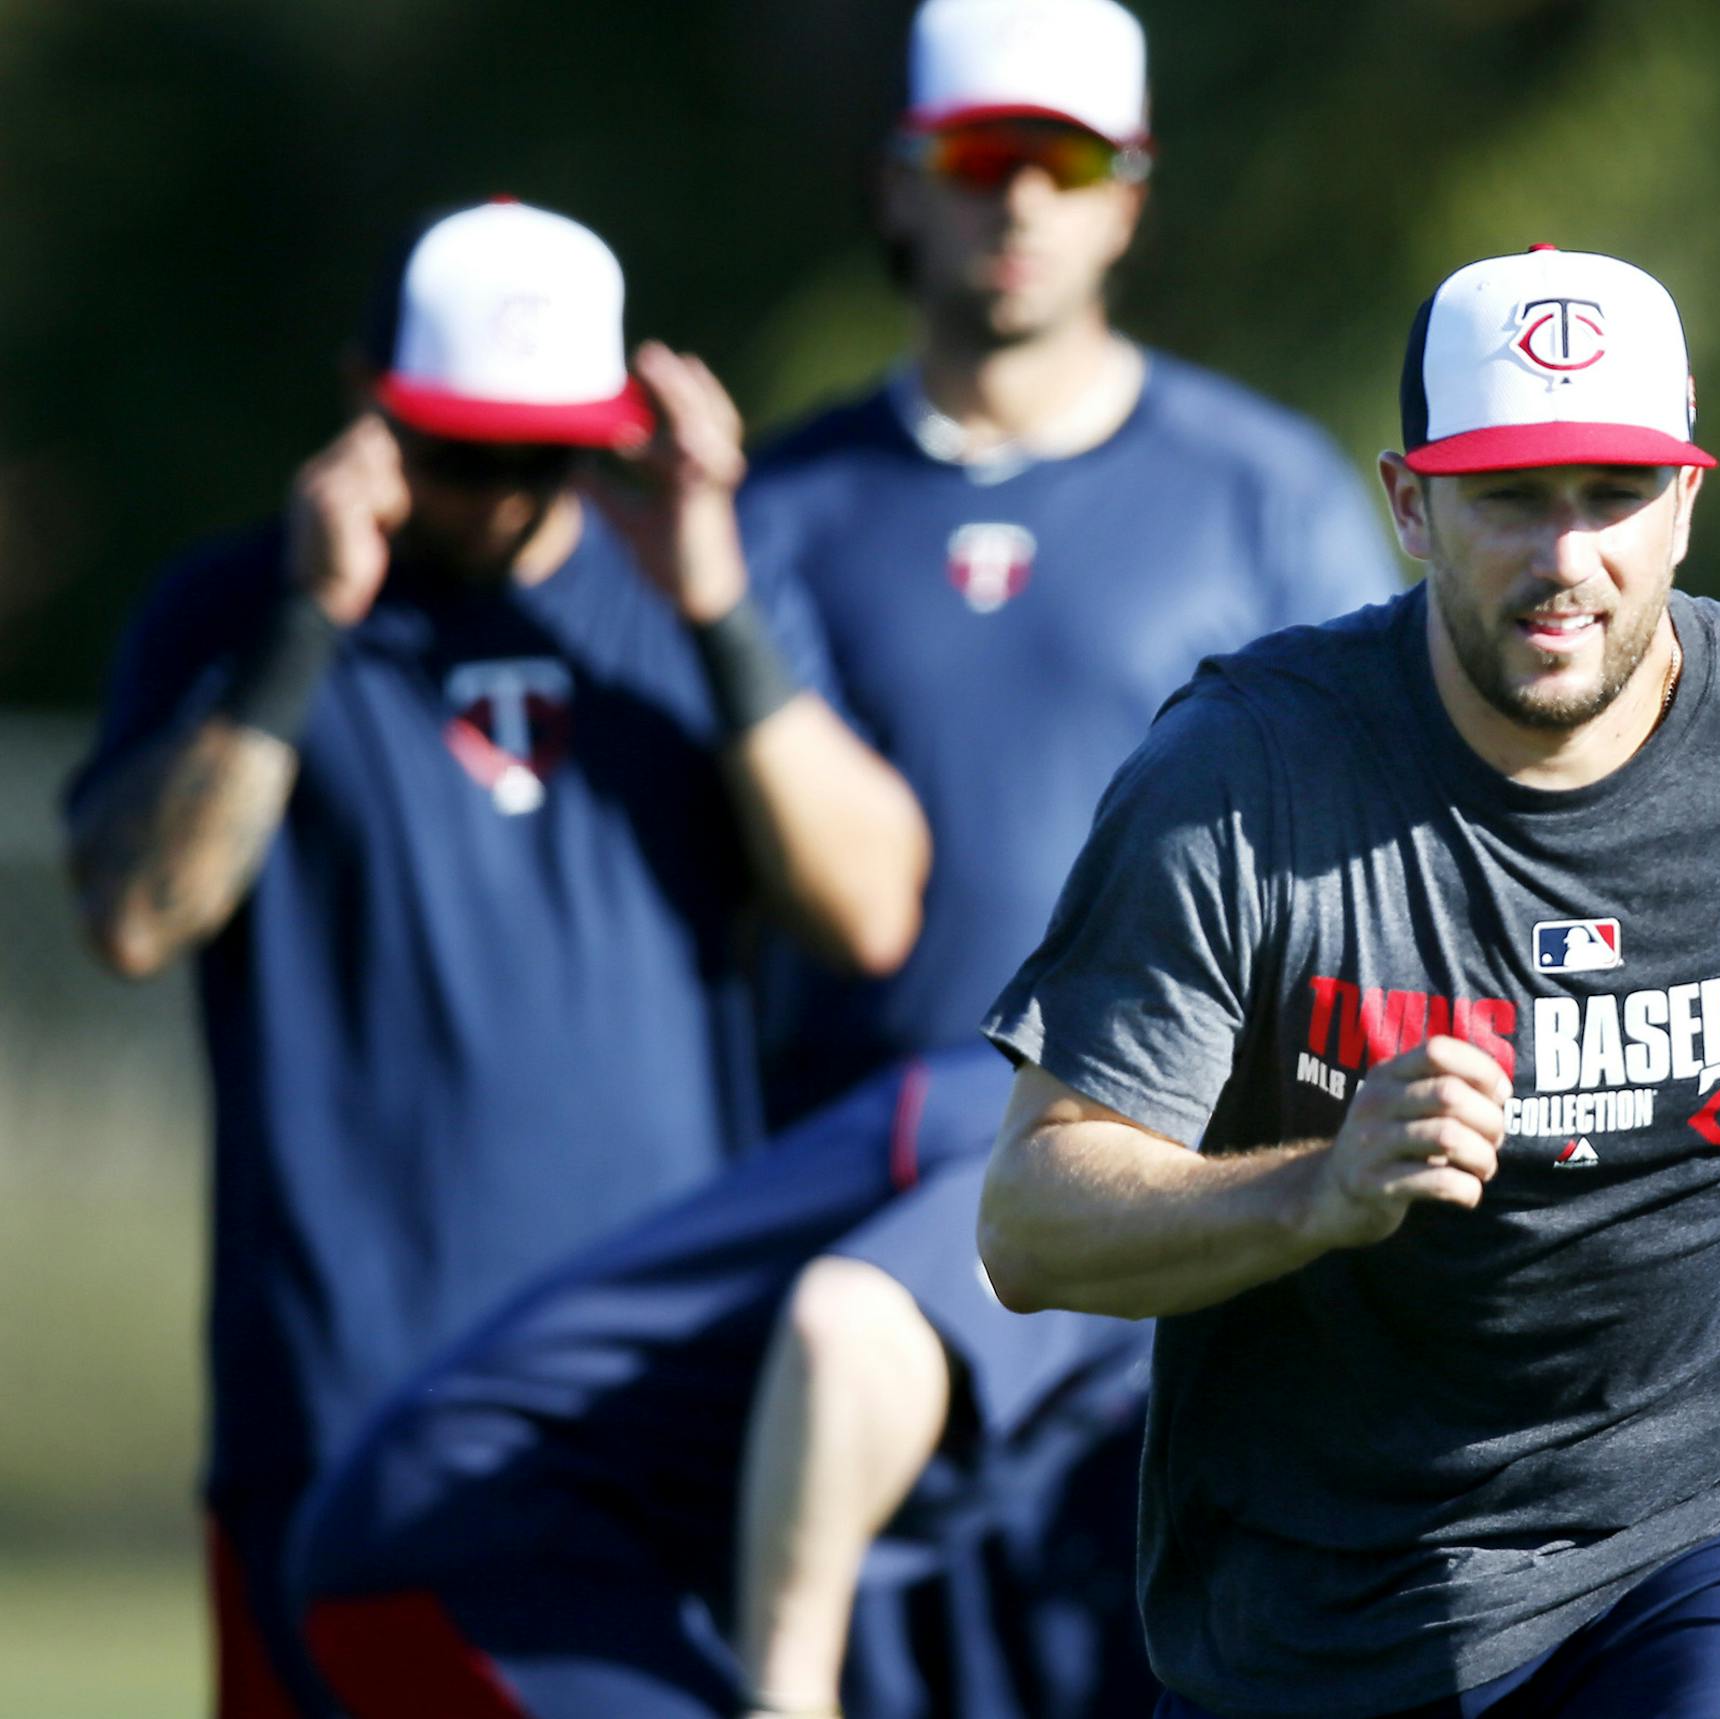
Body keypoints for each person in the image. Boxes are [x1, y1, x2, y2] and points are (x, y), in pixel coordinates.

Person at [288, 5, 1399, 1717]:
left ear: (1133, 196)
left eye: (1067, 160)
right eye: (976, 159)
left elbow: (1376, 861)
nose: (1019, 200)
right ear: (903, 184)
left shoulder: (1263, 495)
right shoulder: (769, 509)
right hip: (838, 1200)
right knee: (438, 1521)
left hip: (1153, 1247)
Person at [978, 243, 1720, 1719]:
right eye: (1511, 495)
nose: (1567, 556)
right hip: (1333, 1609)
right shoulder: (1245, 778)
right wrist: (1314, 1192)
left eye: (1614, 494)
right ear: (1409, 505)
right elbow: (1031, 1222)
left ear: (1688, 504)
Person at [63, 198, 928, 1718]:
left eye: (551, 451)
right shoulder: (235, 606)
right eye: (465, 448)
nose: (510, 494)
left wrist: (716, 601)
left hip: (640, 1423)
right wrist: (304, 626)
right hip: (329, 1422)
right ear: (370, 404)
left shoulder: (693, 601)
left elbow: (869, 909)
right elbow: (137, 914)